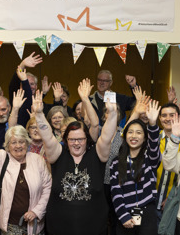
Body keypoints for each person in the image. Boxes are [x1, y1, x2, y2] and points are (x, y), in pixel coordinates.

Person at [33, 89, 118, 235]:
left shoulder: (97, 155)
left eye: (81, 139)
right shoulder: (57, 155)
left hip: (94, 229)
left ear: (87, 140)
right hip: (59, 228)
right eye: (72, 139)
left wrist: (112, 114)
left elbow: (106, 135)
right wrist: (39, 114)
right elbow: (47, 136)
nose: (76, 143)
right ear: (65, 140)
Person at [0, 105, 52, 235]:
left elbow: (47, 188)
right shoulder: (1, 157)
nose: (18, 146)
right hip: (8, 227)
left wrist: (36, 211)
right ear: (7, 145)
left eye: (22, 142)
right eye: (13, 142)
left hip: (35, 227)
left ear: (27, 143)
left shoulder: (37, 160)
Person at [110, 100, 162, 234]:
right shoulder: (116, 162)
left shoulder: (149, 158)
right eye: (130, 132)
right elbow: (115, 191)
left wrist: (152, 124)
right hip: (125, 214)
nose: (134, 136)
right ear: (125, 136)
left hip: (147, 213)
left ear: (145, 138)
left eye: (139, 133)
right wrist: (123, 215)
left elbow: (154, 146)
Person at [154, 103, 180, 222]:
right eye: (164, 115)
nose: (167, 118)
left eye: (172, 115)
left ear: (178, 117)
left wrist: (173, 196)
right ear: (159, 118)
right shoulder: (152, 138)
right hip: (151, 200)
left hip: (176, 203)